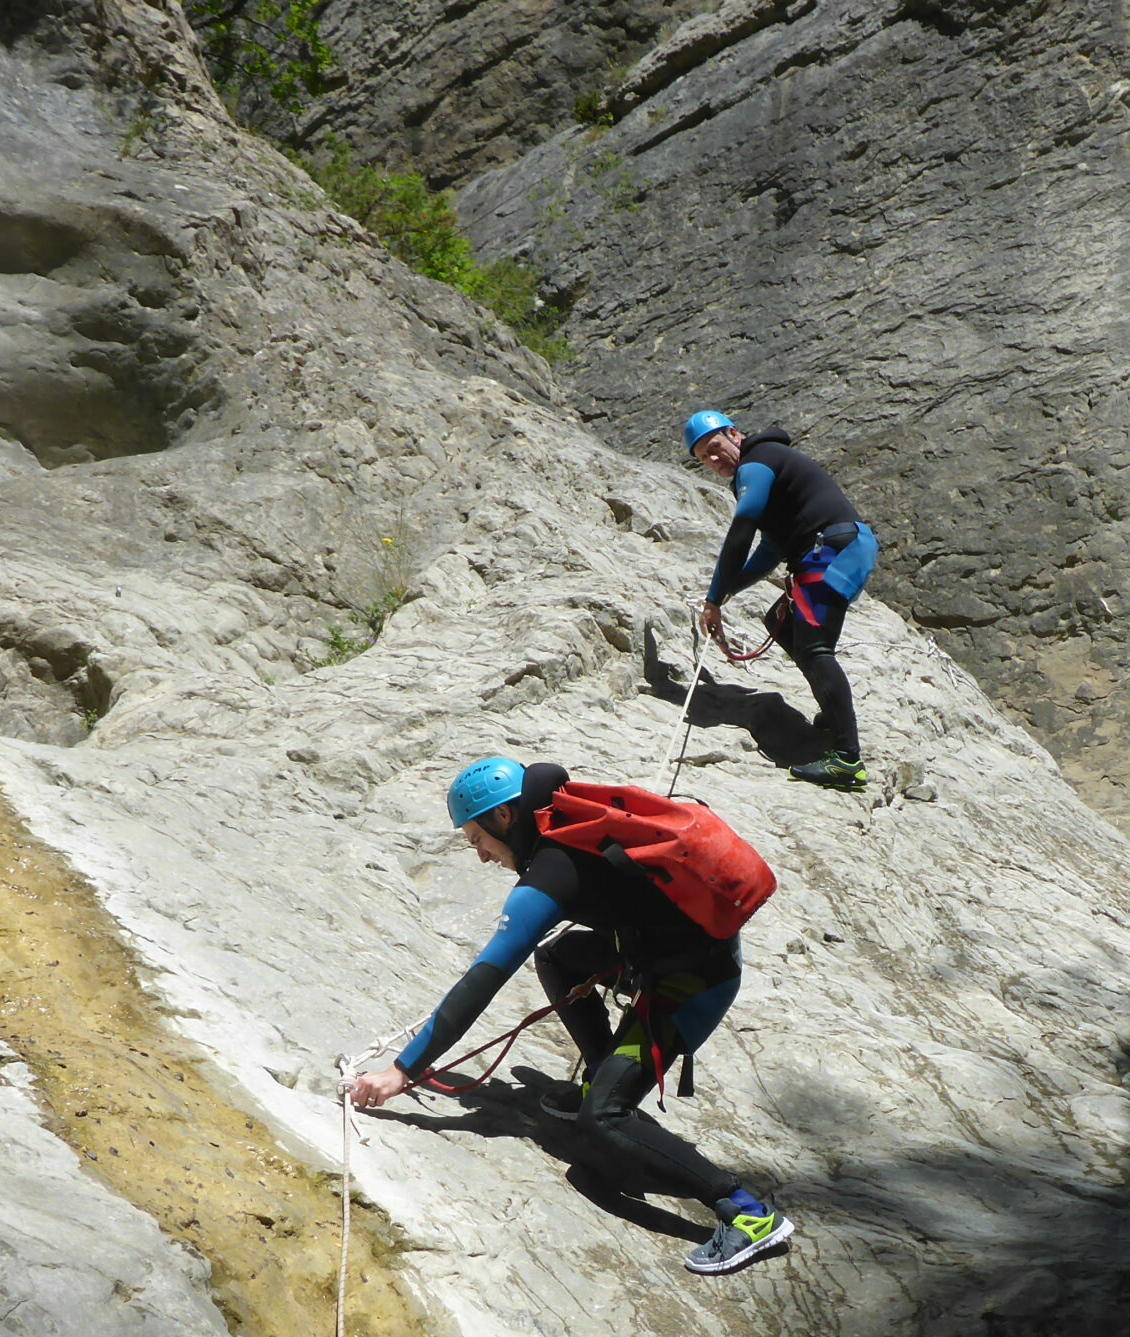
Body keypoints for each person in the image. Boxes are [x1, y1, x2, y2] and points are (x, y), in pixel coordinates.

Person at [346, 757, 795, 1277]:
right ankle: (601, 1081)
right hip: (663, 954)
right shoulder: (563, 823)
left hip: (692, 984)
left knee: (602, 1124)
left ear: (503, 819)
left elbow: (484, 978)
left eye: (476, 839)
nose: (481, 856)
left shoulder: (553, 870)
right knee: (558, 958)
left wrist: (403, 1071)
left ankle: (747, 1212)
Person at [685, 409, 879, 793]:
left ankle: (846, 761)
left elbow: (743, 527)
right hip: (841, 547)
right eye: (704, 458)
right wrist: (722, 597)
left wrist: (712, 600)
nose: (713, 459)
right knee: (783, 623)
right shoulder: (771, 467)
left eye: (714, 447)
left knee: (815, 647)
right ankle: (834, 718)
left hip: (830, 550)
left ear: (735, 434)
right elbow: (769, 551)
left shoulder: (756, 463)